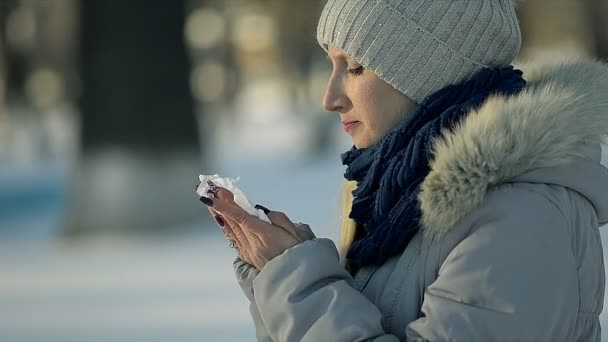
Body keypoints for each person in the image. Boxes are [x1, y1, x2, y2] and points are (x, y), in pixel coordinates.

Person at [199, 0, 608, 340]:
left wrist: (299, 284)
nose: (330, 98)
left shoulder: (522, 216)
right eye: (332, 65)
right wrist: (276, 275)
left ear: (430, 73)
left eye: (355, 67)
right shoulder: (392, 196)